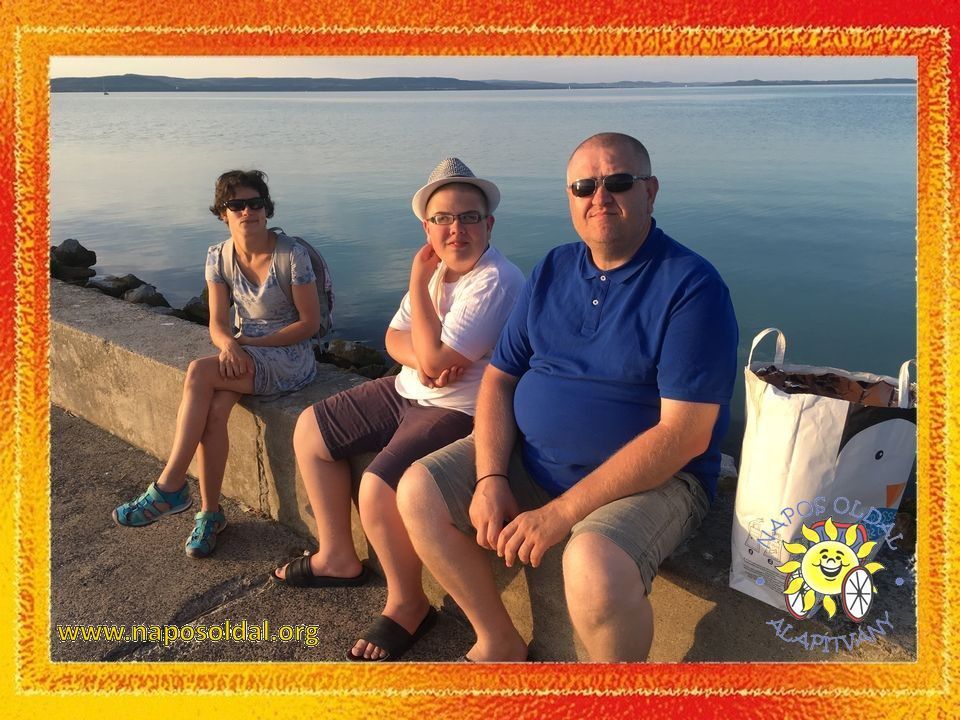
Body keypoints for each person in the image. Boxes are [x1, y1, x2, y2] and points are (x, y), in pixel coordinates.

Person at [397, 133, 739, 662]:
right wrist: (490, 477)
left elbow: (685, 434)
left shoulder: (691, 286)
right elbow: (500, 379)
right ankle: (498, 640)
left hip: (658, 480)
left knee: (594, 566)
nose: (599, 197)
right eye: (584, 187)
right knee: (418, 490)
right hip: (534, 459)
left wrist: (559, 514)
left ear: (650, 191)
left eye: (617, 182)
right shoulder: (552, 270)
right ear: (570, 198)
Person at [271, 158, 524, 662]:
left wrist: (427, 348)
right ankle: (337, 555)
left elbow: (433, 358)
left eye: (469, 217)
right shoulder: (433, 272)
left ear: (489, 225)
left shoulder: (495, 280)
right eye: (443, 219)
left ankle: (408, 603)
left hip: (460, 409)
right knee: (311, 430)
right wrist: (424, 356)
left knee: (377, 488)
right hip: (406, 389)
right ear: (427, 228)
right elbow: (393, 338)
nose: (456, 230)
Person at [113, 170, 323, 558]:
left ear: (266, 208)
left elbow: (308, 324)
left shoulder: (291, 255)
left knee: (199, 371)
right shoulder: (218, 256)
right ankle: (210, 514)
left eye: (255, 203)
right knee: (213, 412)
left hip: (288, 355)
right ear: (223, 213)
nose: (247, 211)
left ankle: (170, 486)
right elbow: (217, 324)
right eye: (236, 205)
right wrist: (229, 345)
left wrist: (247, 344)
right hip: (243, 351)